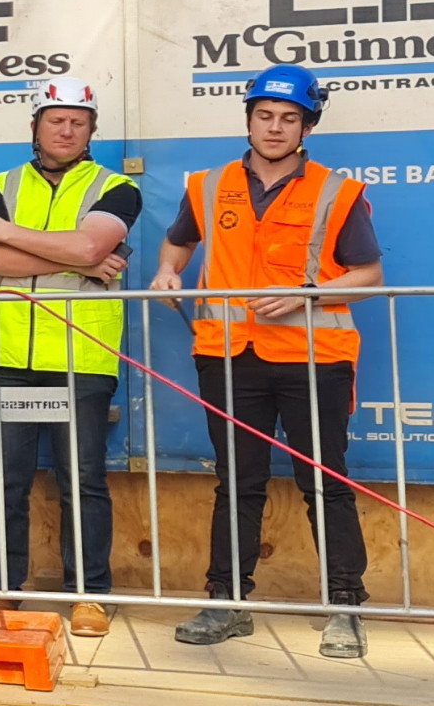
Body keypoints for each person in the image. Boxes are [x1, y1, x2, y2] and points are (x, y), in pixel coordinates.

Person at [149, 63, 381, 658]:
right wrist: (167, 269)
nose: (275, 127)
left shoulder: (336, 190)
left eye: (289, 118)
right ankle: (226, 602)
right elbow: (180, 240)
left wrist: (307, 295)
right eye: (265, 115)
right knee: (238, 484)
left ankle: (345, 608)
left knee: (324, 482)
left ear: (307, 126)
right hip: (230, 357)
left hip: (313, 358)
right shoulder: (208, 185)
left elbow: (369, 277)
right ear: (249, 118)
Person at [0, 77, 138, 638]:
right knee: (5, 480)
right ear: (35, 125)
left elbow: (91, 246)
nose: (66, 129)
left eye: (78, 121)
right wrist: (78, 262)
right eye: (55, 119)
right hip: (7, 353)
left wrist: (17, 236)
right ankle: (0, 590)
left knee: (82, 478)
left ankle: (88, 594)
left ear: (91, 130)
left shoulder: (116, 188)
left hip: (81, 356)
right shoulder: (1, 183)